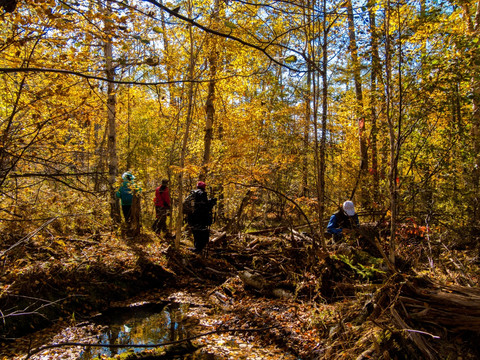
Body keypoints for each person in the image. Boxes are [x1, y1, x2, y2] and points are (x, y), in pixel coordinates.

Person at [184, 181, 217, 253]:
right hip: (201, 217)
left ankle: (197, 248)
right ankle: (199, 249)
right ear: (204, 188)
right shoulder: (202, 194)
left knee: (196, 231)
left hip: (192, 217)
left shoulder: (192, 194)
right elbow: (205, 207)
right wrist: (211, 203)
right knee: (201, 232)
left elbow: (200, 204)